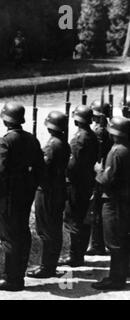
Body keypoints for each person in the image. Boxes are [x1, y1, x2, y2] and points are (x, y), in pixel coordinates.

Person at [0, 103, 44, 291]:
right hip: (26, 193)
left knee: (9, 236)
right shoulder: (32, 139)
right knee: (22, 232)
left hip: (8, 195)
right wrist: (31, 186)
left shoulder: (4, 141)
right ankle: (18, 274)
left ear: (6, 120)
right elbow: (40, 169)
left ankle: (12, 279)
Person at [27, 111, 71, 278]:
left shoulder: (52, 145)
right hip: (58, 189)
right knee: (54, 229)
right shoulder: (63, 143)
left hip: (47, 191)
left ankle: (47, 267)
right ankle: (50, 265)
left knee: (46, 230)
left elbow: (44, 169)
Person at [92, 117, 130, 290]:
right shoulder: (126, 149)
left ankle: (116, 278)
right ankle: (122, 272)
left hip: (114, 201)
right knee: (121, 238)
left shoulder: (116, 151)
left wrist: (98, 171)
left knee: (114, 240)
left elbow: (107, 179)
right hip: (123, 199)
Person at [60, 106, 99, 267]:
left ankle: (75, 256)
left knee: (74, 219)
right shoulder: (92, 135)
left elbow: (72, 164)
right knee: (83, 219)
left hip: (76, 184)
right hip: (88, 180)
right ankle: (79, 254)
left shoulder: (79, 138)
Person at [86, 100, 113, 256]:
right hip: (105, 171)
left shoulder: (100, 131)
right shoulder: (110, 128)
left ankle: (97, 244)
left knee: (95, 209)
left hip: (99, 172)